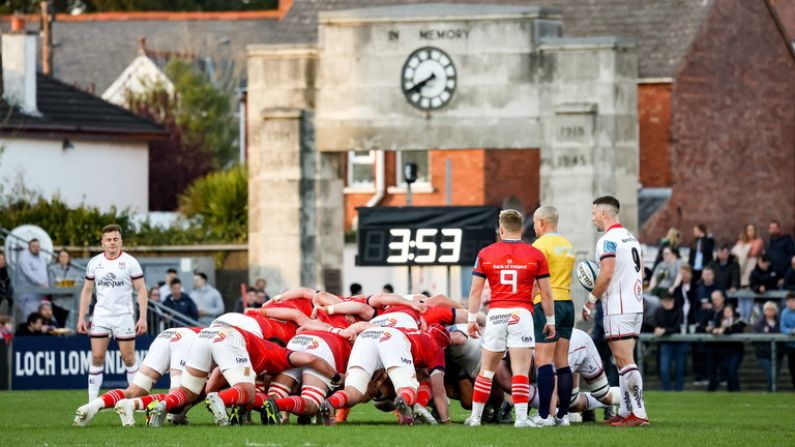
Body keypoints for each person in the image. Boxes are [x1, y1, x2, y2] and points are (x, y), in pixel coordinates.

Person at [465, 209, 556, 428]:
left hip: (496, 314)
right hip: (522, 314)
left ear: (501, 229)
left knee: (487, 369)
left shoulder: (486, 253)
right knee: (521, 371)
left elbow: (476, 291)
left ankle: (476, 418)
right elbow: (546, 293)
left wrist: (470, 319)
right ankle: (522, 419)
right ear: (522, 229)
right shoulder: (535, 254)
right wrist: (551, 321)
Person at [582, 196, 648, 427]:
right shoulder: (631, 238)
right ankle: (626, 410)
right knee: (622, 361)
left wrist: (590, 300)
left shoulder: (608, 240)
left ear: (604, 213)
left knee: (624, 360)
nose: (592, 218)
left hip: (619, 306)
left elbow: (607, 273)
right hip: (635, 304)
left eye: (593, 214)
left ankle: (639, 413)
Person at [77, 224, 148, 402]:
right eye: (108, 240)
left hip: (123, 316)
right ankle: (92, 402)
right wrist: (81, 317)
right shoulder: (94, 263)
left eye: (115, 239)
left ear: (121, 241)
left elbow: (141, 290)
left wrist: (143, 317)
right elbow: (86, 290)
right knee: (97, 357)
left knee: (129, 359)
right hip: (101, 316)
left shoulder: (131, 262)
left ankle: (133, 401)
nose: (112, 243)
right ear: (102, 243)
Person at [530, 205, 576, 426]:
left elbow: (536, 282)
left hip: (548, 305)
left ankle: (544, 416)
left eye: (534, 223)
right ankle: (563, 415)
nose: (534, 228)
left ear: (541, 223)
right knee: (562, 361)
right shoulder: (567, 245)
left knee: (543, 360)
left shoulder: (539, 245)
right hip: (567, 302)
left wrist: (529, 302)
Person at [707, 303, 746, 392]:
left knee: (732, 369)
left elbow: (737, 329)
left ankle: (736, 390)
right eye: (725, 311)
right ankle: (731, 390)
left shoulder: (739, 322)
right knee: (727, 371)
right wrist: (714, 330)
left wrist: (725, 330)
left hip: (736, 351)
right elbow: (713, 329)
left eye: (729, 311)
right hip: (724, 351)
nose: (727, 313)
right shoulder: (719, 321)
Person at [652, 293, 686, 391]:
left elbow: (678, 327)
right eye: (665, 300)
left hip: (679, 344)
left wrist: (664, 331)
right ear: (661, 301)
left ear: (673, 300)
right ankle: (666, 390)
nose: (667, 303)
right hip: (665, 344)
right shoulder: (658, 311)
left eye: (669, 300)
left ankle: (679, 391)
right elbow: (656, 326)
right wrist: (657, 329)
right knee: (664, 369)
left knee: (680, 370)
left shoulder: (679, 310)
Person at [48, 248, 84, 327]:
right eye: (61, 256)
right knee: (57, 326)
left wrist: (61, 282)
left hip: (69, 304)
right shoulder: (52, 269)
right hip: (56, 302)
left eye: (65, 257)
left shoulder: (74, 271)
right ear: (58, 258)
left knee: (69, 328)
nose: (63, 259)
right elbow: (53, 285)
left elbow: (79, 283)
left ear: (69, 258)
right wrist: (71, 283)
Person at [16, 238, 49, 319]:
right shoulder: (24, 258)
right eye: (33, 246)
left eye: (38, 246)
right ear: (28, 247)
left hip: (40, 293)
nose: (36, 248)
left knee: (38, 319)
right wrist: (40, 283)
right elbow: (29, 274)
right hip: (29, 295)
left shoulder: (40, 257)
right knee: (30, 318)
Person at [753, 301, 782, 392]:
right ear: (764, 311)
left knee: (775, 377)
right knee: (770, 375)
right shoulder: (758, 324)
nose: (769, 312)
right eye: (767, 310)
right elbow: (754, 340)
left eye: (772, 310)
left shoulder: (780, 323)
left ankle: (772, 393)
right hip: (763, 355)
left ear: (775, 311)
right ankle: (771, 392)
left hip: (778, 354)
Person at [732, 224, 764, 288]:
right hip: (742, 265)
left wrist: (743, 250)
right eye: (748, 230)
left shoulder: (758, 241)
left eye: (752, 230)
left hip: (752, 264)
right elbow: (734, 252)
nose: (750, 232)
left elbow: (754, 252)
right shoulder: (740, 241)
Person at [780, 293, 795, 389]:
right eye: (788, 301)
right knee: (793, 369)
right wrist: (791, 331)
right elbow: (782, 328)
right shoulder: (784, 313)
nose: (790, 303)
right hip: (791, 347)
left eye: (793, 301)